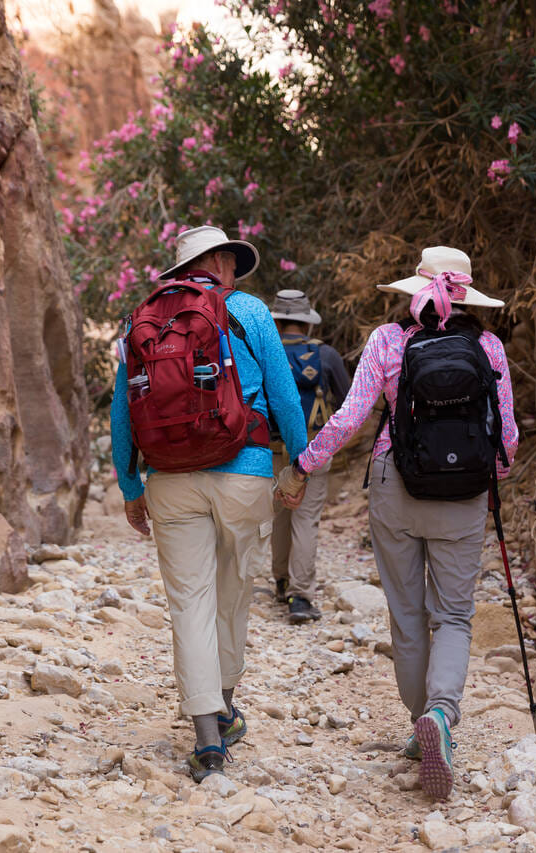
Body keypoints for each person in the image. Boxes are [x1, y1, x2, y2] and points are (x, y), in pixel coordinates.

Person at [277, 246, 517, 800]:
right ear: (467, 296)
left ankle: (420, 724)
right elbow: (506, 438)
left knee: (407, 616)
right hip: (463, 492)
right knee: (454, 615)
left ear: (416, 290)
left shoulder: (389, 340)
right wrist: (486, 476)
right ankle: (441, 714)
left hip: (396, 482)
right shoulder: (489, 346)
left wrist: (303, 466)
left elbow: (350, 417)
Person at [110, 226, 308, 782]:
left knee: (189, 604)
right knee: (233, 593)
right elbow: (285, 395)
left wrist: (130, 488)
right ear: (220, 261)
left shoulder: (141, 320)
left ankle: (206, 742)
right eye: (231, 260)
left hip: (169, 478)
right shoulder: (249, 310)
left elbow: (122, 411)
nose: (234, 269)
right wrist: (299, 465)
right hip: (244, 472)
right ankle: (224, 707)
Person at [267, 289, 351, 624]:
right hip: (313, 450)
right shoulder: (326, 355)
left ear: (277, 321)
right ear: (308, 323)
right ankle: (300, 597)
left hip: (272, 448)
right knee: (306, 520)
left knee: (279, 516)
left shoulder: (265, 351)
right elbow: (348, 403)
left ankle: (280, 582)